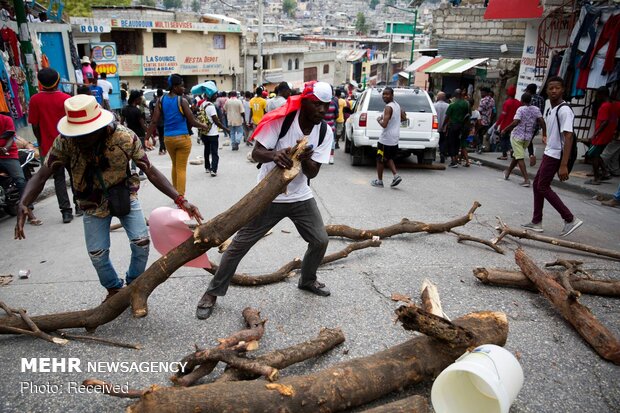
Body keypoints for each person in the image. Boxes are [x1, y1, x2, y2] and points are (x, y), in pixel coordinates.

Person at [14, 95, 203, 301]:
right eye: (76, 134)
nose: (80, 139)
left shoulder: (124, 137)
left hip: (123, 195)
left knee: (141, 243)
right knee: (97, 254)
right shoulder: (65, 142)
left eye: (85, 134)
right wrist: (24, 202)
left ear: (99, 127)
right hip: (90, 202)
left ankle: (134, 286)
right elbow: (42, 174)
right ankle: (113, 289)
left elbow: (150, 171)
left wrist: (181, 200)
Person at [195, 81, 334, 320]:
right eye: (317, 104)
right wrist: (275, 154)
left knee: (320, 240)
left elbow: (312, 173)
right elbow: (256, 152)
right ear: (305, 101)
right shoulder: (283, 121)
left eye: (326, 105)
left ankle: (307, 279)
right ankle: (212, 292)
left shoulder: (324, 132)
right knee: (239, 244)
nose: (322, 110)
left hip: (300, 196)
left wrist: (307, 158)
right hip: (268, 196)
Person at [522, 76, 582, 237]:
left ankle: (570, 219)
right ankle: (536, 221)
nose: (554, 90)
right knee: (537, 185)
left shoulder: (564, 110)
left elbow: (568, 137)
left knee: (542, 186)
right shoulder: (552, 109)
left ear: (563, 90)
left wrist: (563, 165)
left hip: (556, 155)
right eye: (551, 88)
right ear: (547, 91)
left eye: (557, 88)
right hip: (550, 151)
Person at [28, 68, 80, 223]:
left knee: (59, 179)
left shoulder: (35, 100)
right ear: (58, 81)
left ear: (40, 82)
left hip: (50, 146)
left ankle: (66, 212)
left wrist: (41, 141)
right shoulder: (66, 98)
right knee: (75, 175)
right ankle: (79, 205)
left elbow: (35, 126)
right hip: (69, 143)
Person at [145, 74, 209, 196]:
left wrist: (147, 137)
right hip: (183, 138)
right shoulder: (182, 101)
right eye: (181, 86)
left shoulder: (161, 100)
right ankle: (180, 197)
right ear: (174, 87)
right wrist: (204, 126)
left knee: (175, 165)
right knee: (181, 168)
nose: (183, 89)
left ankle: (174, 193)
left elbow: (154, 120)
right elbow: (192, 121)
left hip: (168, 138)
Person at [0, 113, 40, 225]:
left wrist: (5, 148)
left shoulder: (6, 119)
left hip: (8, 156)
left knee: (20, 180)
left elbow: (11, 137)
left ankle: (29, 212)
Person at [501, 93, 546, 187]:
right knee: (517, 155)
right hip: (528, 137)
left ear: (522, 100)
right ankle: (508, 172)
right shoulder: (536, 109)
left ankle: (526, 179)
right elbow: (542, 121)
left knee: (519, 156)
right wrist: (544, 134)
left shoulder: (521, 109)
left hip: (517, 136)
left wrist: (505, 129)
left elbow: (515, 122)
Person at [371, 87, 405, 187]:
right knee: (388, 158)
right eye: (383, 94)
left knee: (380, 159)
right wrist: (394, 121)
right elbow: (404, 118)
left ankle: (379, 181)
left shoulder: (388, 107)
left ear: (392, 95)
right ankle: (396, 176)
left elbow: (384, 124)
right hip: (394, 137)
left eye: (387, 94)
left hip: (386, 138)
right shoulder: (397, 105)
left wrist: (378, 120)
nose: (385, 96)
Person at [585, 86, 617, 185]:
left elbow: (605, 122)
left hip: (601, 135)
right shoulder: (613, 105)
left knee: (593, 155)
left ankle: (596, 178)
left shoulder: (604, 106)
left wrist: (595, 134)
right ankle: (605, 172)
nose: (597, 97)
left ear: (601, 95)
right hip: (608, 134)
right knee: (597, 154)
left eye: (597, 95)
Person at [199, 93, 229, 177]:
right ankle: (214, 169)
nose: (216, 97)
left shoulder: (202, 104)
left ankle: (207, 167)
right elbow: (216, 121)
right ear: (210, 96)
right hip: (212, 133)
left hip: (204, 132)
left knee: (206, 150)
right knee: (214, 152)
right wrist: (226, 129)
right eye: (215, 95)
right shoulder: (211, 107)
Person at [122, 91, 150, 179]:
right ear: (136, 99)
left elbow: (121, 122)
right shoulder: (137, 111)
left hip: (129, 134)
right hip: (139, 135)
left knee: (131, 152)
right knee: (141, 154)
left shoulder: (125, 109)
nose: (141, 100)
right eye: (140, 99)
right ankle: (141, 173)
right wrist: (149, 134)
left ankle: (133, 169)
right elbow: (142, 124)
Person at [443, 89, 470, 168]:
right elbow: (469, 115)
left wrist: (444, 125)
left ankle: (453, 160)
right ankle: (456, 159)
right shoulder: (466, 104)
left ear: (455, 95)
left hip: (453, 126)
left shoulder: (452, 105)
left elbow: (447, 117)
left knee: (451, 143)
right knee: (458, 143)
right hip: (462, 127)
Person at [497, 85, 521, 160]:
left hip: (505, 124)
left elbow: (503, 115)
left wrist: (497, 123)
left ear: (508, 93)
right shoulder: (518, 103)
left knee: (503, 139)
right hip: (514, 124)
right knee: (512, 139)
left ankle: (504, 155)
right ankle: (511, 151)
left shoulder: (507, 103)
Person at [477, 87, 495, 154]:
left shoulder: (483, 100)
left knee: (479, 134)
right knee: (484, 134)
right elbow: (493, 110)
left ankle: (480, 147)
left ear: (486, 93)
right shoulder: (492, 100)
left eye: (482, 92)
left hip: (482, 120)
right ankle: (482, 147)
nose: (481, 94)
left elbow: (480, 111)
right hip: (488, 120)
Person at [149, 89, 166, 155]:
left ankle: (162, 148)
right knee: (164, 135)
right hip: (164, 120)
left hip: (157, 121)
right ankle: (163, 148)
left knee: (160, 135)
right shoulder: (164, 101)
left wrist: (153, 120)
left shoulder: (152, 102)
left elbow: (151, 112)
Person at [434, 92, 450, 163]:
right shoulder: (448, 106)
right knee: (443, 141)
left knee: (435, 141)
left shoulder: (434, 105)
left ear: (438, 97)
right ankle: (442, 153)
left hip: (435, 127)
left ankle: (433, 155)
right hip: (444, 127)